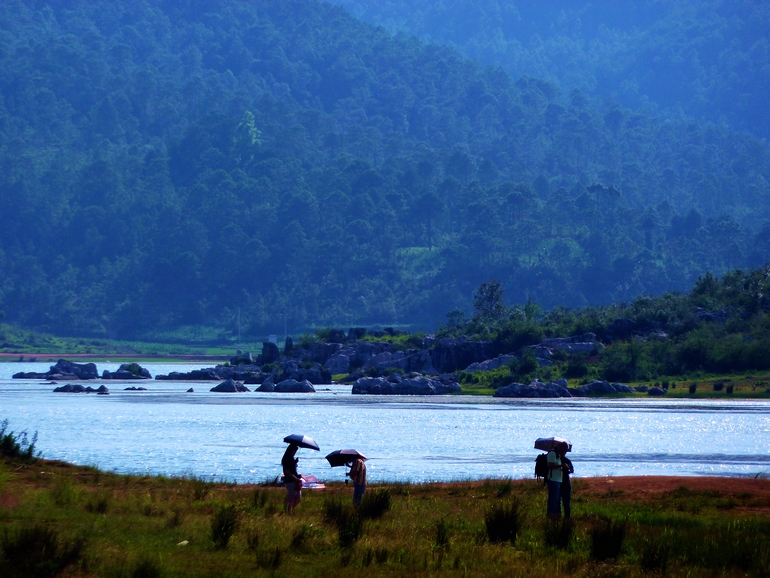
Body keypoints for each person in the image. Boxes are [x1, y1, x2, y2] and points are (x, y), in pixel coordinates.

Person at [545, 441, 569, 518]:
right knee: (553, 499)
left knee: (557, 499)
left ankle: (556, 515)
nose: (564, 452)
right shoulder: (552, 453)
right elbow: (550, 465)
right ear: (560, 447)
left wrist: (562, 467)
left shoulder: (558, 454)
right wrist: (561, 466)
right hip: (553, 480)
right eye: (564, 450)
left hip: (558, 480)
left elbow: (556, 466)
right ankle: (551, 515)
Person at [281, 443, 303, 514]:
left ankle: (289, 512)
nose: (295, 453)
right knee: (291, 499)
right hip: (290, 481)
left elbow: (291, 468)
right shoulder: (286, 459)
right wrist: (295, 479)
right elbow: (287, 471)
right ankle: (288, 513)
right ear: (291, 451)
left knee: (298, 499)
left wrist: (295, 462)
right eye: (294, 451)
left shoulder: (291, 458)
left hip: (295, 481)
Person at [560, 453, 574, 518]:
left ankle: (567, 517)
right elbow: (572, 470)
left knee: (565, 501)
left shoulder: (567, 460)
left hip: (564, 482)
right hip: (562, 482)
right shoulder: (565, 460)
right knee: (564, 501)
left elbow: (572, 470)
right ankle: (564, 516)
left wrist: (567, 468)